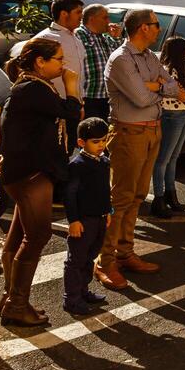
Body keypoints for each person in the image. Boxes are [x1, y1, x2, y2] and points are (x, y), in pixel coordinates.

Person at [0, 37, 82, 327]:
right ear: (40, 62)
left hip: (24, 171)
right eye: (58, 59)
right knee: (37, 236)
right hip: (31, 174)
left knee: (19, 235)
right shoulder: (34, 89)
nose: (63, 65)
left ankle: (11, 299)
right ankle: (16, 304)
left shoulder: (29, 88)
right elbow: (71, 113)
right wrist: (72, 88)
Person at [97, 8, 177, 290]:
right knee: (121, 198)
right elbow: (142, 98)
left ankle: (125, 252)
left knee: (138, 196)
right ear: (144, 28)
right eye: (156, 25)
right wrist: (156, 87)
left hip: (152, 130)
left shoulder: (150, 57)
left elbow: (175, 86)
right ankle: (105, 261)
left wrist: (153, 85)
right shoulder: (120, 59)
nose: (159, 29)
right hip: (129, 133)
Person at [62, 117, 114, 317]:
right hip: (83, 221)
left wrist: (108, 211)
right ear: (81, 143)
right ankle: (71, 299)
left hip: (100, 218)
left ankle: (83, 291)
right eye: (96, 142)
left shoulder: (104, 162)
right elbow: (70, 194)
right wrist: (73, 220)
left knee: (90, 256)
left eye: (104, 140)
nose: (101, 145)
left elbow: (104, 190)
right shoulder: (77, 165)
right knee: (76, 260)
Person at [31, 0, 85, 151]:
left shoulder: (76, 39)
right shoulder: (46, 39)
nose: (81, 17)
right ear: (64, 14)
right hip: (53, 108)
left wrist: (80, 102)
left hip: (72, 105)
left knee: (69, 150)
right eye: (78, 12)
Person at [151, 36, 185, 219]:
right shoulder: (167, 71)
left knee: (174, 157)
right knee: (163, 158)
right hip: (171, 114)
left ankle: (171, 194)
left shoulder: (180, 70)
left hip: (183, 113)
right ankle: (159, 198)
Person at [74, 3, 119, 122]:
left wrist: (115, 38)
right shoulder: (78, 34)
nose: (108, 21)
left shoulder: (104, 37)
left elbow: (118, 58)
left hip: (106, 97)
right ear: (92, 19)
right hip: (87, 98)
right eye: (105, 17)